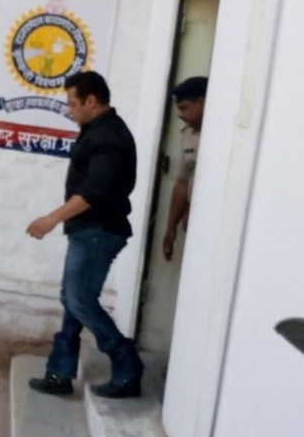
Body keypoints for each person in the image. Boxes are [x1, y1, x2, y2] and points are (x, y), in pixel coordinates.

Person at [26, 71, 143, 398]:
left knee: (79, 300)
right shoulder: (98, 130)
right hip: (89, 230)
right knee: (73, 299)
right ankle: (60, 372)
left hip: (98, 231)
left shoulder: (109, 138)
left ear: (91, 101)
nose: (69, 110)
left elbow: (94, 192)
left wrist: (51, 219)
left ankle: (127, 364)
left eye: (73, 103)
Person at [162, 76, 208, 262]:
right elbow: (182, 182)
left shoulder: (229, 133)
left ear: (202, 103)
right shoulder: (188, 134)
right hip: (195, 225)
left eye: (184, 107)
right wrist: (170, 227)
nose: (179, 115)